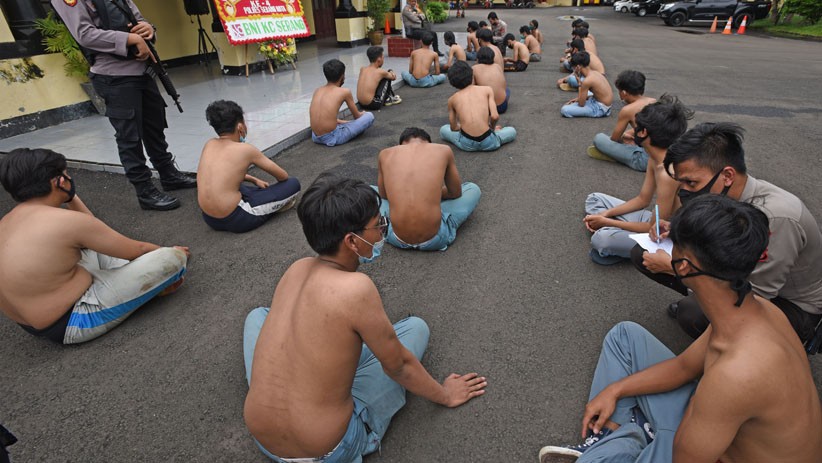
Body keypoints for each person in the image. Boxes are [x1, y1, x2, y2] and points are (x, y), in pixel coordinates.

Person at [538, 195, 822, 463]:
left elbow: (681, 458)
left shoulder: (734, 375)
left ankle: (621, 442)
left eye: (672, 243)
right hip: (718, 428)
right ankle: (628, 434)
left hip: (702, 452)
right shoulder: (754, 310)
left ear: (683, 266)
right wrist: (616, 389)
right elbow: (684, 367)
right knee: (625, 336)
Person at [243, 173, 487, 462]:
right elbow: (398, 367)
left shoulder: (296, 269)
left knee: (259, 316)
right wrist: (446, 395)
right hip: (328, 450)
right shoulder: (356, 289)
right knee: (415, 329)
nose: (382, 230)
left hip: (264, 440)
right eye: (378, 224)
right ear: (352, 242)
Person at [632, 123, 822, 345]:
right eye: (680, 182)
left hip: (790, 304)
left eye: (691, 182)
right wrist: (674, 230)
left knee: (692, 314)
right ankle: (708, 310)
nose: (683, 190)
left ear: (728, 175)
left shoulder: (776, 218)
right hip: (746, 278)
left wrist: (675, 269)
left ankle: (747, 351)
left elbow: (758, 294)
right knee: (642, 252)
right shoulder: (725, 195)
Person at [0, 148, 189, 344]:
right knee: (171, 259)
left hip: (36, 319)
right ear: (59, 182)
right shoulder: (64, 222)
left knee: (92, 245)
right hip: (73, 320)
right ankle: (149, 285)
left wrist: (70, 197)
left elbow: (93, 234)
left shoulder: (6, 221)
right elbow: (138, 249)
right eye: (66, 174)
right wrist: (171, 252)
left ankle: (131, 281)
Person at [51, 0, 197, 211]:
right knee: (130, 136)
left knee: (154, 127)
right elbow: (84, 34)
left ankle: (168, 175)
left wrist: (147, 29)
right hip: (114, 76)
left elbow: (136, 17)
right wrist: (129, 38)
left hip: (142, 70)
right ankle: (145, 190)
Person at [583, 96, 692, 265]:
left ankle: (615, 237)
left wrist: (606, 221)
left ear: (643, 132)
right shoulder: (654, 158)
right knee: (594, 199)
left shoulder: (668, 173)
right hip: (652, 220)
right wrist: (606, 214)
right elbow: (642, 200)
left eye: (637, 126)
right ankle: (614, 233)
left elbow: (654, 228)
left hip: (665, 235)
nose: (634, 129)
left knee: (601, 239)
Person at [197, 100, 301, 233]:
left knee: (232, 185)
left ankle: (257, 198)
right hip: (237, 219)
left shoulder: (209, 144)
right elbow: (282, 176)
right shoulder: (246, 149)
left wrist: (253, 179)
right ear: (240, 127)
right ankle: (268, 207)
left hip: (209, 218)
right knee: (293, 184)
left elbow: (221, 175)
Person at [375, 128, 481, 251]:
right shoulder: (443, 150)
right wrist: (431, 194)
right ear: (429, 143)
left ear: (400, 146)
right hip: (435, 239)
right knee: (472, 189)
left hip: (396, 237)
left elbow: (383, 195)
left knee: (370, 191)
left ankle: (383, 225)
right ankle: (445, 224)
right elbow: (455, 192)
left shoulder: (385, 154)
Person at [440, 61, 517, 152]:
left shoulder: (452, 99)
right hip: (489, 141)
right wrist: (491, 128)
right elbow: (494, 116)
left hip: (467, 143)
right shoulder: (487, 90)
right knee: (511, 130)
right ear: (472, 75)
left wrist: (464, 126)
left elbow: (453, 128)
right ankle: (495, 134)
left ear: (452, 82)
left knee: (443, 129)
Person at [588, 71, 656, 172]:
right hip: (662, 156)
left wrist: (623, 138)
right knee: (627, 135)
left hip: (644, 160)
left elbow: (615, 139)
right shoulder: (653, 101)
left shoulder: (628, 110)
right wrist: (629, 134)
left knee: (599, 138)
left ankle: (619, 156)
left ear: (624, 93)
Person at [310, 59, 375, 147]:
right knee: (369, 116)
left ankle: (344, 124)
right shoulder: (345, 92)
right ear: (342, 76)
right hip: (333, 137)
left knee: (338, 121)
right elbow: (357, 116)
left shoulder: (317, 91)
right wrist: (363, 113)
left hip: (315, 136)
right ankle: (345, 126)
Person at [560, 52, 613, 118]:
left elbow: (581, 104)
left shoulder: (587, 81)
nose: (573, 70)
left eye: (573, 68)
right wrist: (578, 99)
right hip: (603, 104)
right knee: (573, 103)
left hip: (600, 108)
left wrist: (579, 83)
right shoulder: (595, 72)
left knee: (565, 110)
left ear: (578, 67)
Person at [472, 47, 510, 115]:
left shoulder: (474, 68)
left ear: (478, 58)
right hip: (502, 106)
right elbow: (503, 86)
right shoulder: (497, 66)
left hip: (486, 108)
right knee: (507, 90)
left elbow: (471, 89)